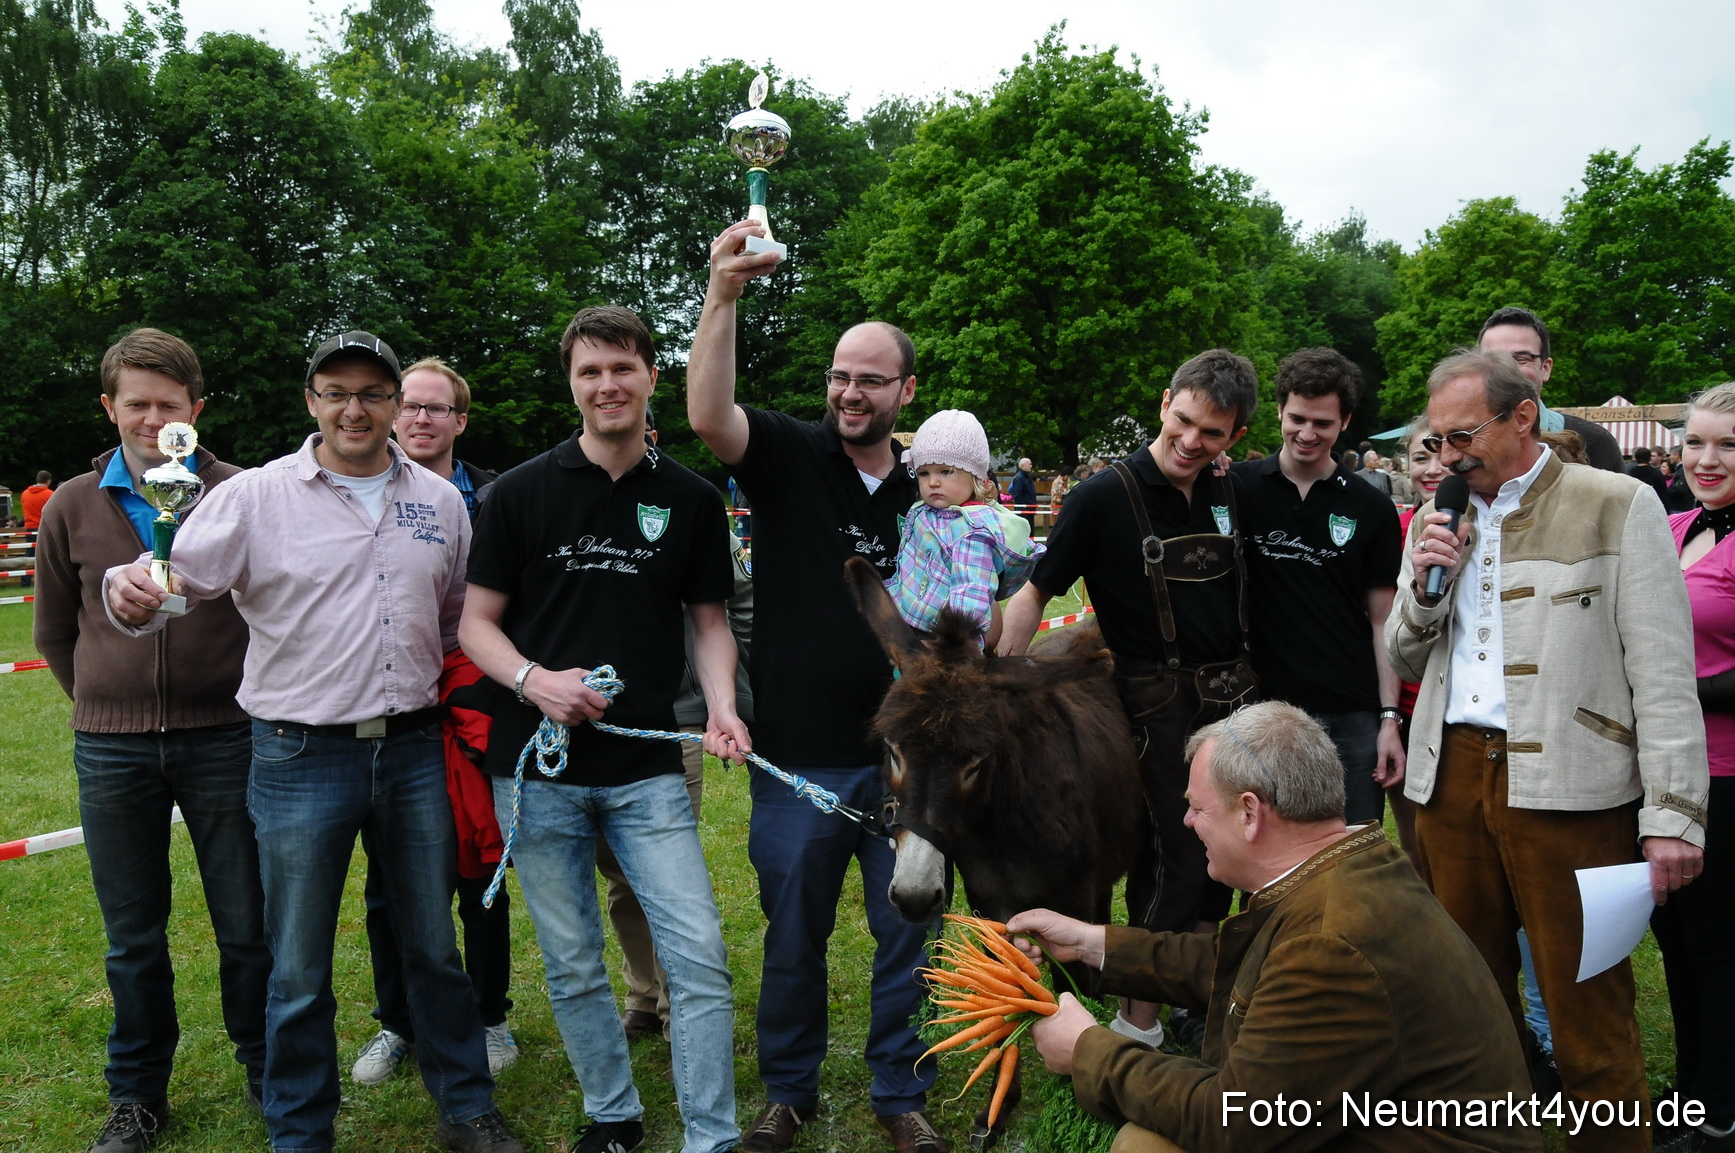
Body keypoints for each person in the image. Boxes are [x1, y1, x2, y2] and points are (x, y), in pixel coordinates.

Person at [103, 329, 521, 1153]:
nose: (354, 407)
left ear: (397, 405)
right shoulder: (255, 496)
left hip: (409, 750)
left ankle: (467, 1109)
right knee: (295, 965)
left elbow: (454, 623)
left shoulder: (439, 504)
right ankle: (299, 1131)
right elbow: (175, 574)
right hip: (299, 756)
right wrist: (134, 584)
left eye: (372, 392)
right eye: (336, 391)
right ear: (311, 402)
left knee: (433, 948)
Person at [1389, 347, 1708, 1153]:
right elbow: (1401, 652)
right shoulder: (1438, 517)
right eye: (1434, 442)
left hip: (1574, 789)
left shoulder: (1617, 503)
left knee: (1587, 1014)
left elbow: (1664, 671)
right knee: (1469, 1002)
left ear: (1521, 416)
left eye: (1459, 436)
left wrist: (1672, 814)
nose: (1445, 456)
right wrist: (1428, 583)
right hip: (1449, 781)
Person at [688, 219, 946, 1153]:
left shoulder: (934, 495)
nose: (848, 391)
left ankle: (897, 1086)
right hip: (796, 758)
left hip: (908, 768)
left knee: (906, 931)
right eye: (840, 375)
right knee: (792, 936)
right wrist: (723, 296)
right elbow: (709, 417)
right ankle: (787, 1091)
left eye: (870, 379)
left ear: (905, 392)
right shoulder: (792, 456)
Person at [460, 305, 744, 1153]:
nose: (607, 384)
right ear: (572, 384)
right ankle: (612, 1117)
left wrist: (724, 706)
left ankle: (711, 1133)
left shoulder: (690, 499)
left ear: (652, 376)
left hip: (647, 771)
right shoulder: (516, 493)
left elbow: (710, 624)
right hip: (535, 774)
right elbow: (476, 624)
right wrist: (533, 681)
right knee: (575, 960)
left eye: (622, 367)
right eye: (589, 371)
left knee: (696, 952)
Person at [1006, 702, 1537, 1153]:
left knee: (1144, 1147)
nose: (1188, 822)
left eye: (1195, 808)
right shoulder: (1347, 868)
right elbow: (1238, 966)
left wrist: (1088, 1051)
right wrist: (1090, 944)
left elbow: (1232, 1121)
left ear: (1250, 814)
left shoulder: (1331, 943)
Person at [33, 329, 268, 1153]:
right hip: (112, 750)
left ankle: (265, 1067)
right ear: (110, 407)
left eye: (171, 406)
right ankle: (136, 1097)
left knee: (246, 922)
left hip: (227, 741)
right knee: (133, 935)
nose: (153, 418)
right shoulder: (68, 504)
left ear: (195, 413)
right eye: (137, 404)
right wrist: (105, 702)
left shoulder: (242, 492)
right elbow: (56, 631)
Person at [1002, 349, 1259, 1048]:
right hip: (1153, 707)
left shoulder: (1233, 488)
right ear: (1163, 401)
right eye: (1183, 420)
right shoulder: (1101, 496)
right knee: (1175, 859)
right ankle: (1132, 1028)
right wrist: (1003, 689)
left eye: (1211, 433)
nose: (1190, 441)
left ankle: (1197, 1004)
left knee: (1228, 861)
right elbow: (1033, 594)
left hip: (1237, 702)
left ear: (1234, 436)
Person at [351, 356, 515, 1086]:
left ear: (459, 420)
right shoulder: (358, 491)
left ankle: (489, 1014)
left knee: (482, 866)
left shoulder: (498, 497)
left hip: (477, 705)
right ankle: (398, 1024)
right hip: (386, 712)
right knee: (388, 881)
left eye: (435, 407)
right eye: (408, 405)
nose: (419, 418)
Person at [606, 403, 755, 1044]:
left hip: (672, 723)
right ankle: (643, 993)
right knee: (618, 876)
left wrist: (743, 702)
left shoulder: (688, 507)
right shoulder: (567, 502)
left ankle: (675, 1008)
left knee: (664, 877)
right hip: (591, 725)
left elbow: (735, 607)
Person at [1231, 348, 1404, 828]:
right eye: (1297, 418)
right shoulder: (1235, 488)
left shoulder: (1371, 507)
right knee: (1269, 865)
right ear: (1280, 410)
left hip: (1350, 712)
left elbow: (1382, 619)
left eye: (1322, 423)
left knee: (1350, 859)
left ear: (1344, 421)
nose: (1307, 434)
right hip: (1261, 710)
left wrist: (1388, 719)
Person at [1652, 381, 1735, 1153]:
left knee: (1716, 944)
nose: (1705, 459)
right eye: (1695, 442)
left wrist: (1667, 692)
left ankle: (1718, 1107)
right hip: (1663, 773)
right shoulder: (1672, 526)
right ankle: (1689, 1087)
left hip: (1729, 774)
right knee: (1673, 938)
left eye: (1727, 445)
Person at [884, 410, 1043, 647]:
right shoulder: (927, 511)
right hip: (907, 621)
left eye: (946, 471)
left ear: (976, 476)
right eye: (923, 473)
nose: (933, 482)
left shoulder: (973, 531)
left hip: (939, 639)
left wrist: (954, 645)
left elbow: (971, 593)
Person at [1476, 306, 1624, 472]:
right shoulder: (1457, 443)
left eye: (1521, 359)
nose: (1507, 369)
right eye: (1494, 359)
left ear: (1545, 368)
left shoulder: (1593, 442)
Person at [1008, 456, 1038, 532]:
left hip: (1030, 508)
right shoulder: (1019, 478)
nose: (1031, 466)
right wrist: (1024, 505)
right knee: (1024, 530)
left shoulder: (1027, 477)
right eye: (1029, 464)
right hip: (1023, 508)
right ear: (1023, 466)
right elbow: (1017, 494)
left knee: (1030, 530)